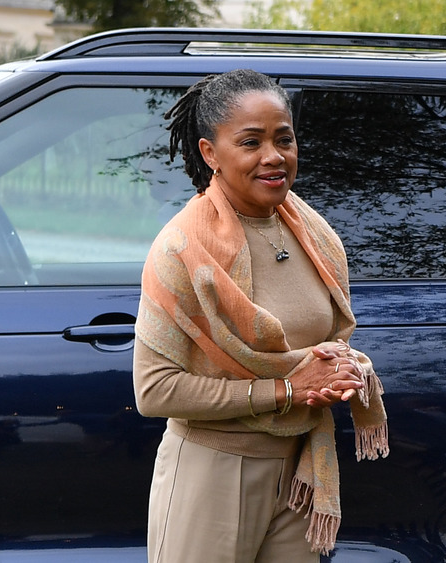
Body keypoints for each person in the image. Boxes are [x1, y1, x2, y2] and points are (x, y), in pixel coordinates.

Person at [133, 69, 389, 563]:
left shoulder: (314, 234)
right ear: (211, 153)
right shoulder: (183, 248)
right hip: (213, 472)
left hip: (298, 471)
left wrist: (339, 370)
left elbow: (320, 344)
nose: (274, 156)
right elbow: (154, 390)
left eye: (284, 139)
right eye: (251, 142)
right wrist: (288, 390)